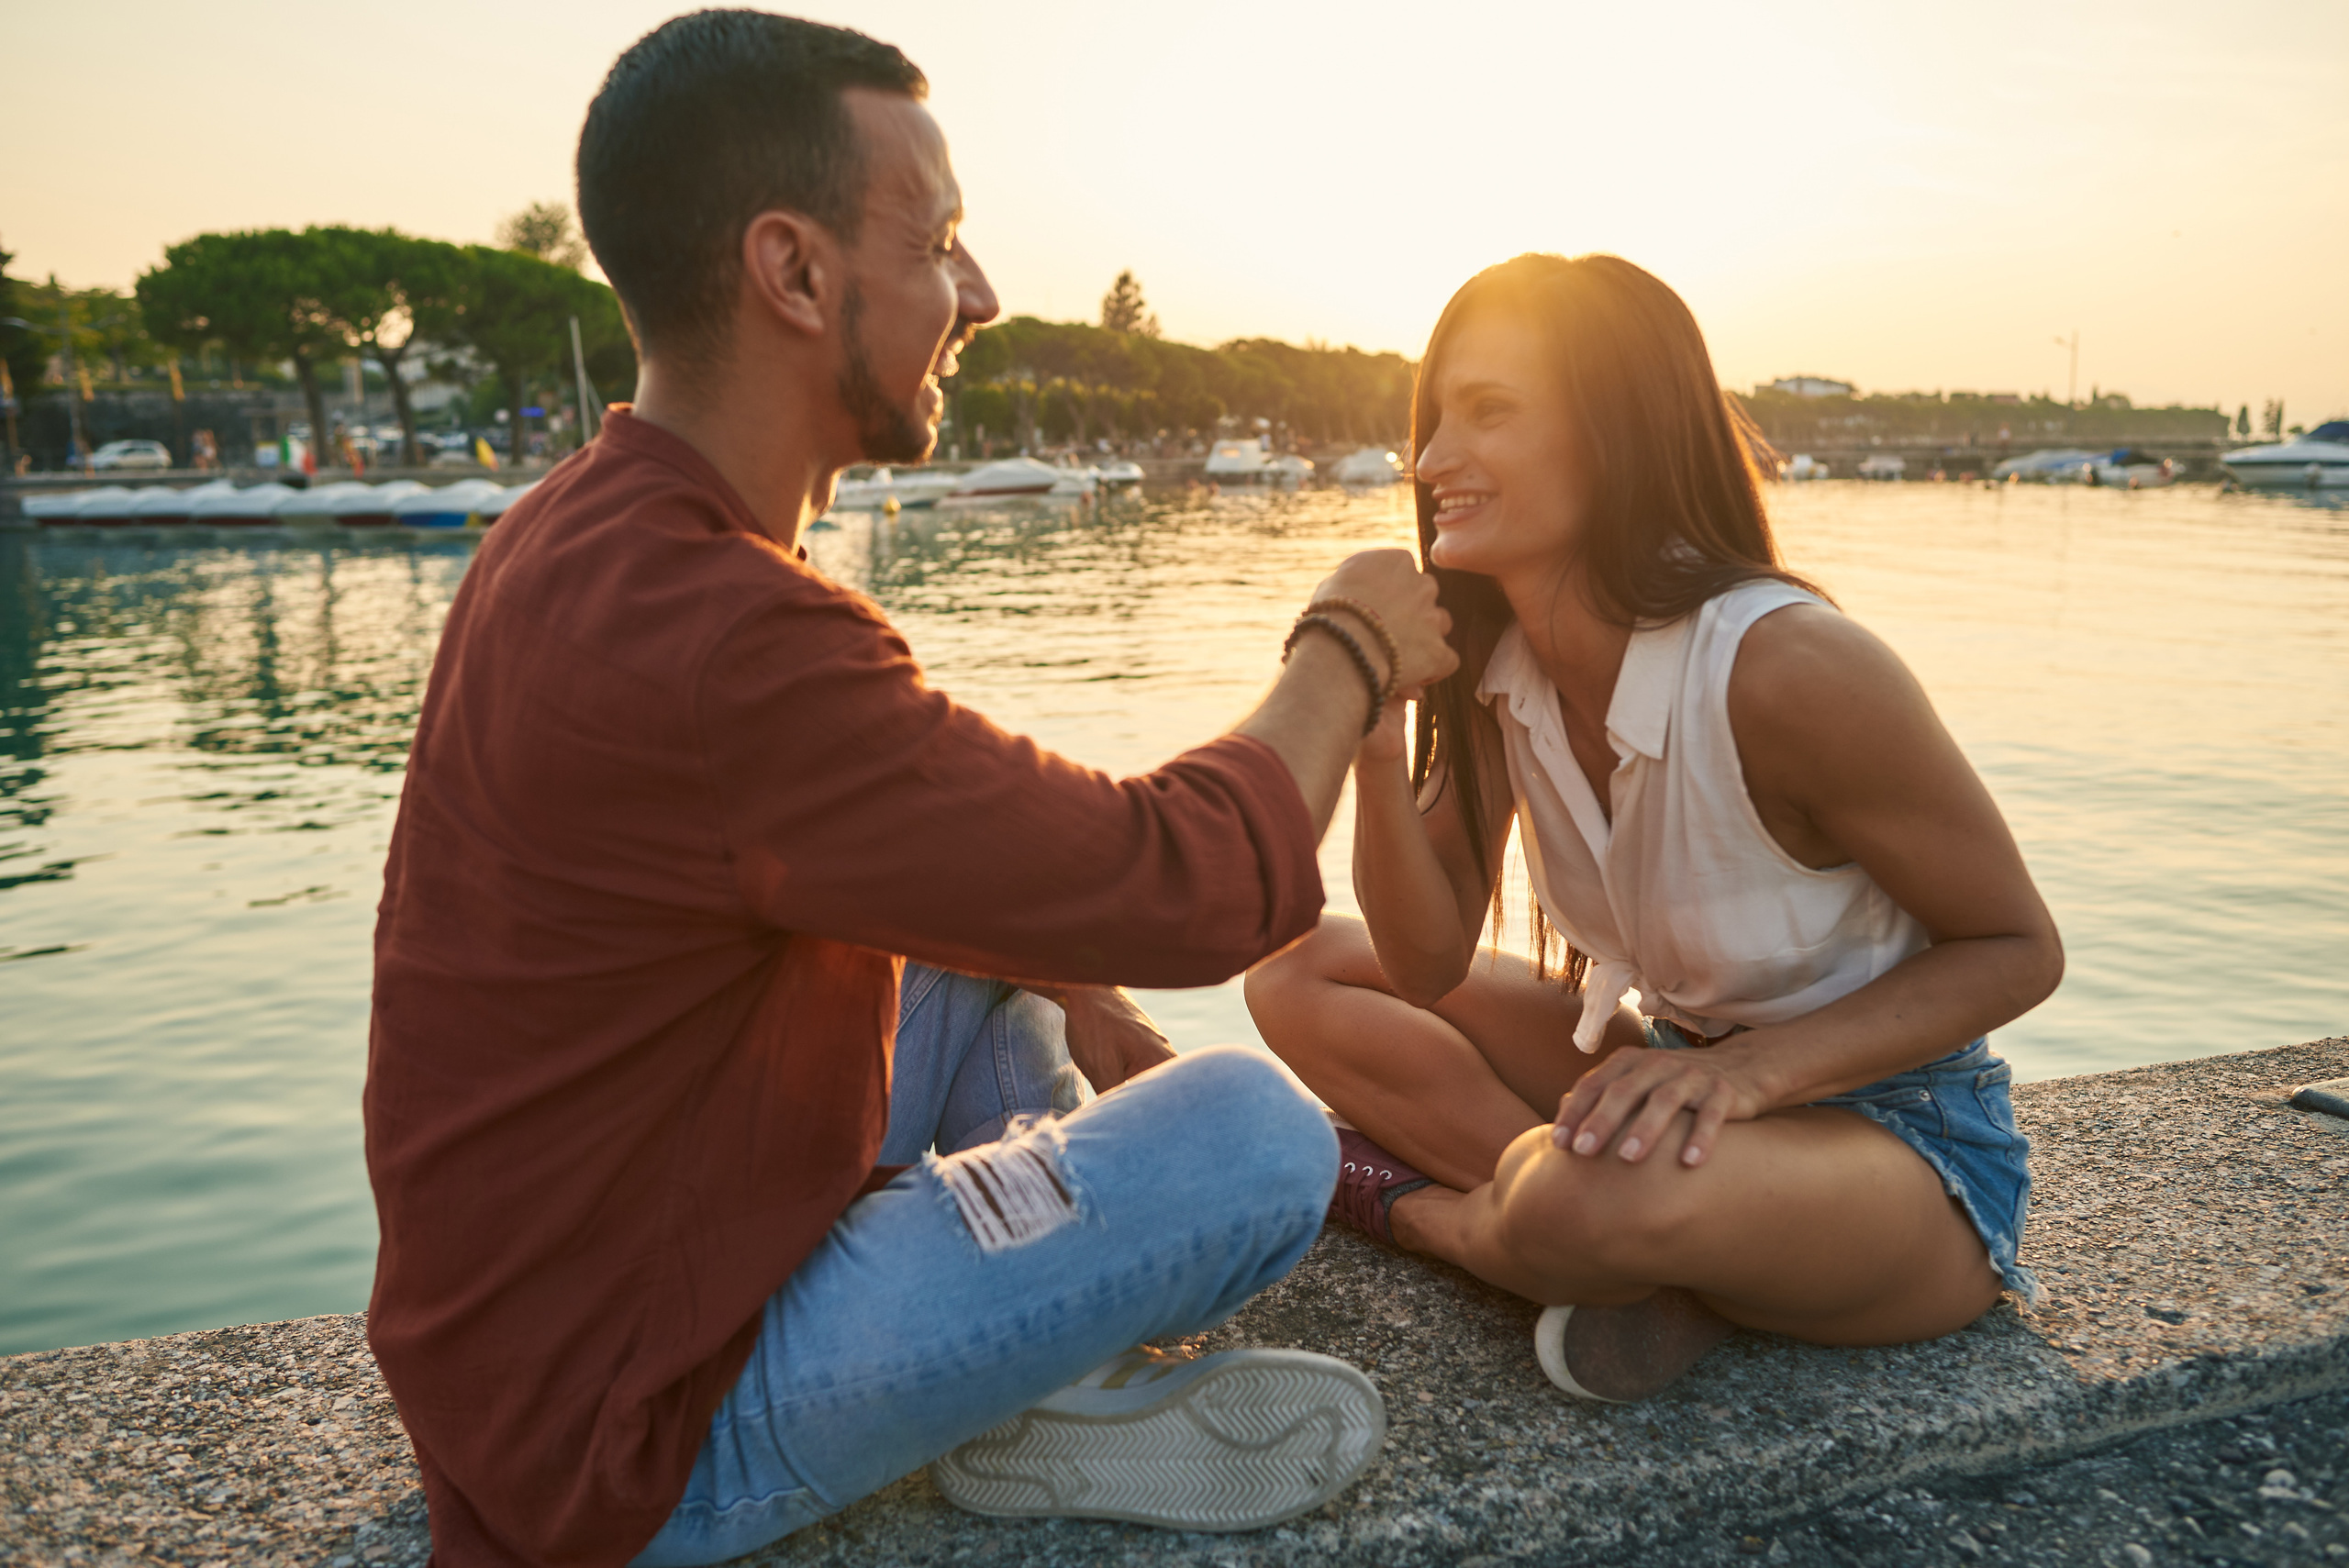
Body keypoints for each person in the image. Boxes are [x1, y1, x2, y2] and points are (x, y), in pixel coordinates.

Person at [362, 12, 1456, 1568]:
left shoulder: (583, 533)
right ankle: (1026, 1375)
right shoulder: (723, 634)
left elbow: (964, 854)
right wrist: (1346, 644)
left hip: (545, 1333)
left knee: (994, 945)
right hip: (633, 1439)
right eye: (940, 242)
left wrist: (1068, 977)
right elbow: (1183, 881)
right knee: (1254, 1135)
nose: (984, 296)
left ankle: (1026, 1365)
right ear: (795, 273)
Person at [1246, 253, 2063, 1406]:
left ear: (1611, 429)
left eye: (1486, 413)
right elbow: (1423, 963)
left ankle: (1443, 1219)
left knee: (1582, 1192)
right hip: (1680, 1084)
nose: (1430, 462)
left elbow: (2018, 947)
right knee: (1296, 969)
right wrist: (1380, 756)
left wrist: (1750, 1081)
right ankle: (1626, 1259)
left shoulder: (1787, 666)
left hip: (1902, 1150)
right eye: (1431, 422)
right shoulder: (1493, 663)